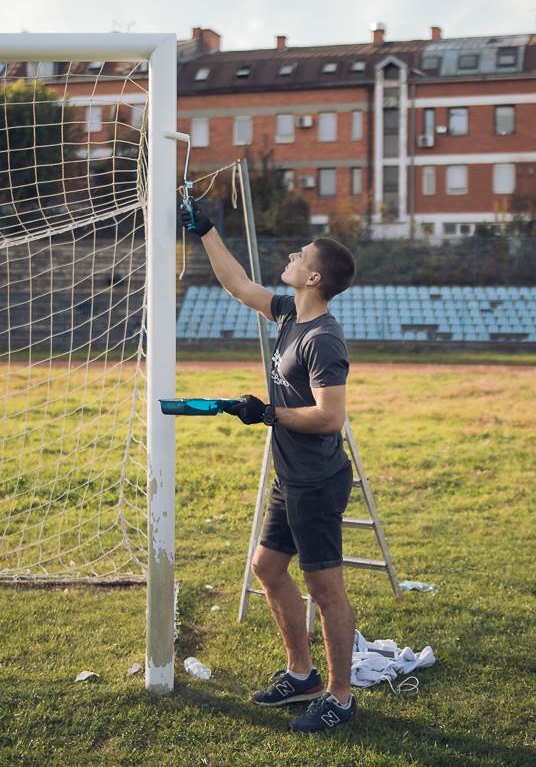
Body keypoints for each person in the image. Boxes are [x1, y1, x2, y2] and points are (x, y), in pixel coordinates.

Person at [181, 195, 359, 733]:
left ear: (315, 277)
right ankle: (301, 673)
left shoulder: (323, 339)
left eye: (302, 255)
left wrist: (267, 414)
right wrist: (206, 230)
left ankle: (341, 697)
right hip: (291, 477)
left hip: (317, 481)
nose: (293, 257)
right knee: (266, 568)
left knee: (326, 590)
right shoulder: (287, 312)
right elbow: (238, 285)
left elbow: (330, 418)